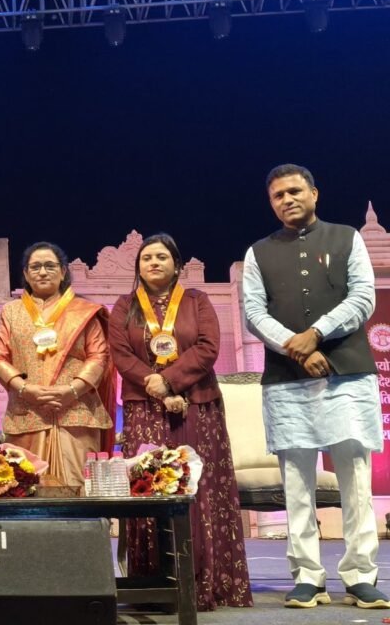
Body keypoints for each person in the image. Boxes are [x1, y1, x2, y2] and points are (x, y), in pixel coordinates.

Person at [243, 164, 388, 609]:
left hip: (347, 373)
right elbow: (254, 313)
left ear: (314, 194)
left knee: (355, 478)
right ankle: (307, 575)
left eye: (294, 191)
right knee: (296, 481)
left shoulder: (346, 238)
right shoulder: (258, 252)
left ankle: (360, 575)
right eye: (278, 195)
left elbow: (363, 298)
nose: (287, 200)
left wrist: (317, 333)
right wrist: (298, 348)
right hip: (288, 379)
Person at [109, 233, 252, 610]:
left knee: (198, 487)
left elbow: (208, 347)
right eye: (146, 258)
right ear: (138, 267)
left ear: (177, 265)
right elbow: (120, 354)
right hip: (144, 406)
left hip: (198, 404)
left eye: (161, 257)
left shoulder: (197, 301)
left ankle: (207, 584)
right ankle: (152, 582)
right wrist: (157, 385)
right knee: (149, 487)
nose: (153, 263)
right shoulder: (125, 306)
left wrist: (170, 380)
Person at [0, 242, 114, 491]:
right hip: (27, 414)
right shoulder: (11, 312)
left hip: (76, 413)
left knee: (79, 489)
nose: (43, 272)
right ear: (26, 274)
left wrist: (72, 390)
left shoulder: (84, 311)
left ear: (63, 271)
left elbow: (99, 356)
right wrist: (25, 389)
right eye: (35, 267)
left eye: (50, 266)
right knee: (26, 489)